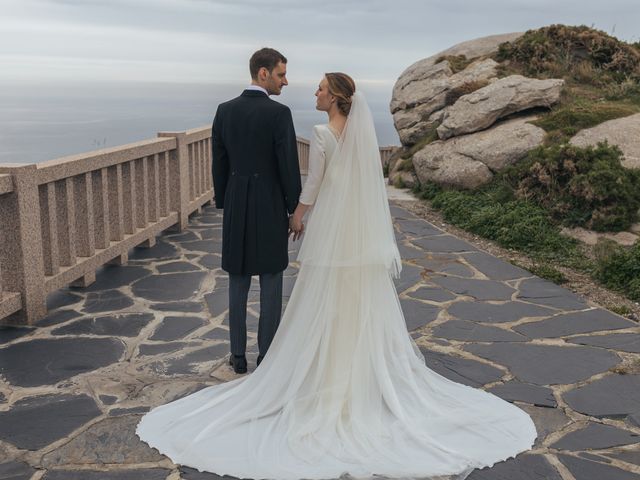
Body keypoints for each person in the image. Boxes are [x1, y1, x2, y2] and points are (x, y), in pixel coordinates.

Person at [136, 72, 537, 480]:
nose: (315, 92)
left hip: (329, 229)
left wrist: (297, 215)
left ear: (337, 98)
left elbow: (313, 183)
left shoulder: (322, 134)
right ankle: (356, 372)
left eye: (321, 89)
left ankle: (315, 370)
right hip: (357, 232)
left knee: (321, 296)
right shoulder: (358, 138)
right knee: (355, 298)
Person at [209, 47, 301, 374]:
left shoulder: (224, 111)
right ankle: (267, 357)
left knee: (237, 279)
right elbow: (289, 167)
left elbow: (219, 163)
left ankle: (237, 357)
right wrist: (294, 209)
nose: (285, 81)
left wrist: (225, 200)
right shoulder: (279, 114)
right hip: (269, 204)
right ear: (263, 73)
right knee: (272, 279)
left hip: (237, 202)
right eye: (281, 74)